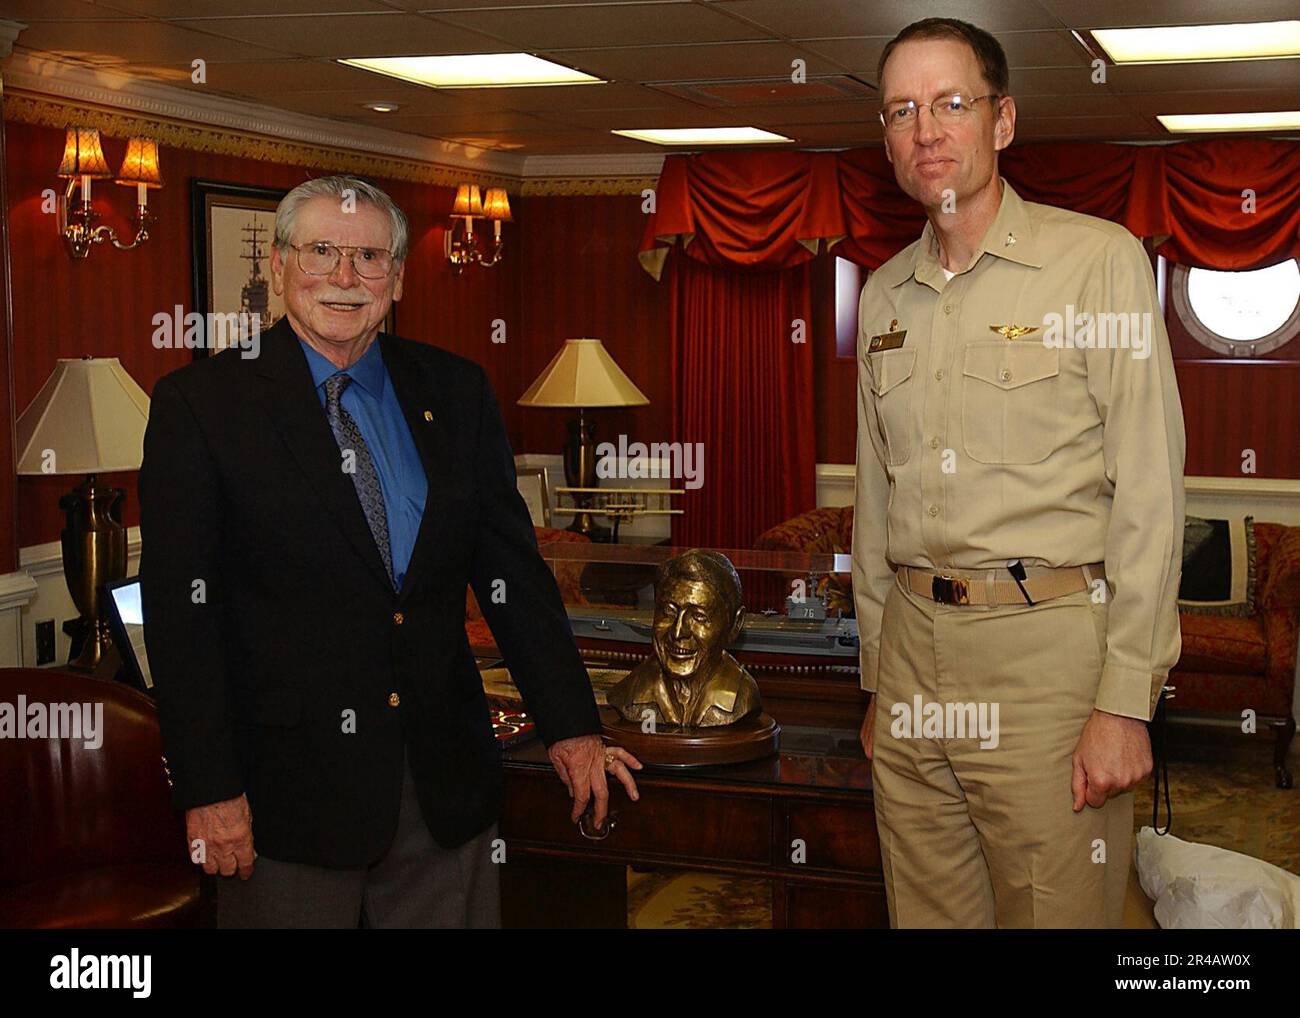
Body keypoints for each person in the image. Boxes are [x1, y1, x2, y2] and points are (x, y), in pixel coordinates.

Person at [139, 175, 640, 928]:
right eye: (322, 252)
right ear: (279, 266)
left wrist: (571, 726)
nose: (346, 278)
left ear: (398, 277)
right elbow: (183, 623)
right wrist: (210, 793)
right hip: (285, 805)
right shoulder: (202, 407)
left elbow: (514, 578)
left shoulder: (457, 392)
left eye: (370, 257)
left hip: (443, 794)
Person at [852, 18, 1185, 928]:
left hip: (1050, 669)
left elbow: (1150, 496)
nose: (925, 130)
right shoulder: (884, 294)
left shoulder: (1096, 264)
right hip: (915, 660)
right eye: (901, 110)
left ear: (1002, 122)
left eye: (951, 103)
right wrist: (881, 682)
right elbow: (875, 507)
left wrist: (1126, 701)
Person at [607, 550, 760, 728]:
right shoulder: (629, 693)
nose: (678, 632)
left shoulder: (743, 697)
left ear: (735, 625)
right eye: (668, 612)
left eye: (698, 617)